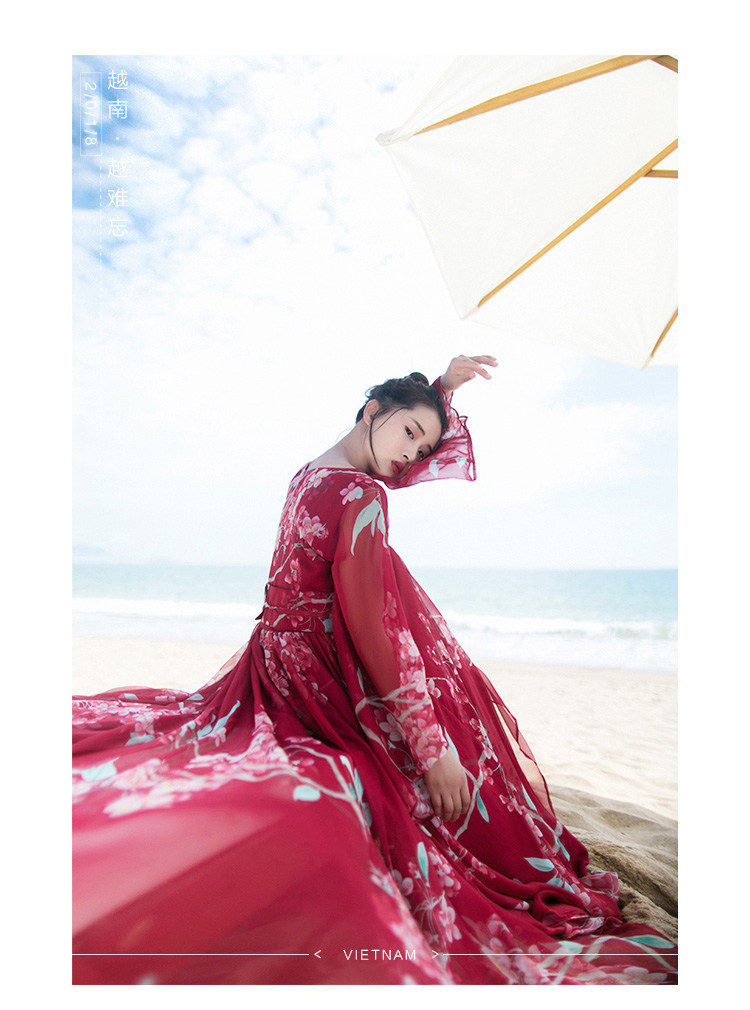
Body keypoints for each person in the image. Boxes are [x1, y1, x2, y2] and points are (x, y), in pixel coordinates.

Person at [72, 355, 677, 985]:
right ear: (371, 411)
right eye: (409, 435)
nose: (412, 457)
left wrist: (438, 393)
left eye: (424, 447)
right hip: (318, 676)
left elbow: (395, 460)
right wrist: (431, 748)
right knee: (447, 759)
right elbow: (376, 629)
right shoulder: (360, 494)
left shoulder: (312, 472)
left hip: (273, 661)